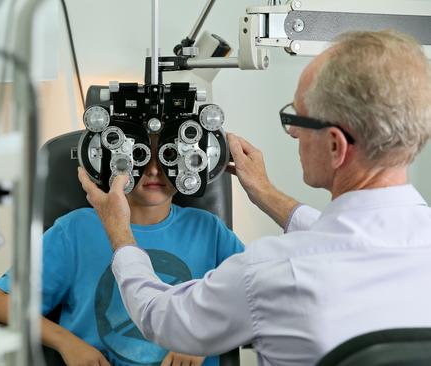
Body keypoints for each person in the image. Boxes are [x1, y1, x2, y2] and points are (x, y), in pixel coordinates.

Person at [78, 30, 431, 365]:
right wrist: (265, 193)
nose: (292, 132)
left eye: (297, 118)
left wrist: (119, 232)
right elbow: (354, 242)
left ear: (336, 145)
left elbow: (163, 319)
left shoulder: (271, 273)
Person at [0, 136, 245, 366]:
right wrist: (67, 343)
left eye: (169, 156)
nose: (154, 169)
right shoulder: (75, 230)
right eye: (140, 156)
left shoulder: (209, 231)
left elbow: (258, 299)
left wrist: (203, 338)